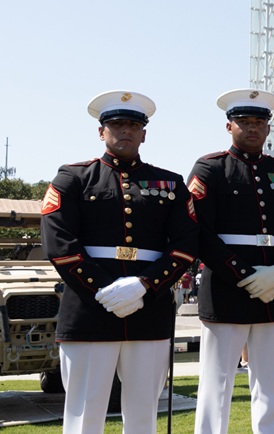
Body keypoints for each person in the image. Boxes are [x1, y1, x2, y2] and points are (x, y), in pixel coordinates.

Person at [41, 90, 198, 434]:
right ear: (101, 132)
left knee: (144, 414)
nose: (125, 130)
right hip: (89, 308)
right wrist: (104, 290)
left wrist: (144, 285)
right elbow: (60, 245)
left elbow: (187, 244)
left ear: (144, 133)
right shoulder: (72, 178)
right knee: (84, 412)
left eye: (133, 124)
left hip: (149, 308)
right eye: (116, 124)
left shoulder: (170, 184)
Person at [189, 89, 274, 434]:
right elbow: (200, 232)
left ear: (269, 128)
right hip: (226, 288)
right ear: (229, 126)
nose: (252, 128)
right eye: (244, 122)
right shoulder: (210, 168)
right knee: (217, 382)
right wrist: (243, 275)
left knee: (271, 382)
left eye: (259, 122)